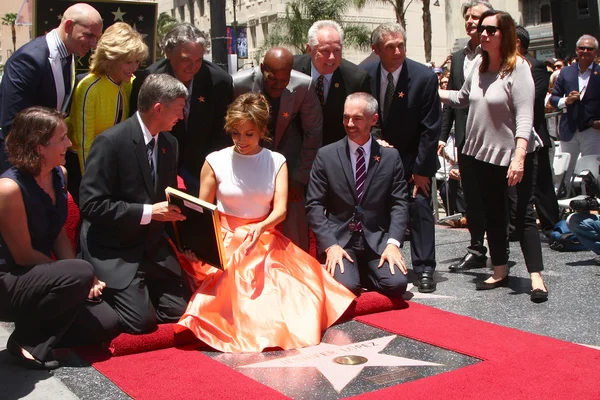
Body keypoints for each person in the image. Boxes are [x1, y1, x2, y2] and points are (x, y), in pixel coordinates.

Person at [175, 93, 355, 353]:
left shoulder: (275, 160)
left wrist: (261, 227)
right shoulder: (215, 161)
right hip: (225, 239)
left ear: (262, 131)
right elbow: (203, 212)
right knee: (234, 286)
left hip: (265, 237)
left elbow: (280, 210)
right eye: (235, 133)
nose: (241, 141)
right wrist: (201, 247)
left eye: (249, 134)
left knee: (292, 294)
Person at [439, 10, 548, 302]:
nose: (483, 34)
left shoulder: (518, 68)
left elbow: (526, 117)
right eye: (482, 29)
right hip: (481, 154)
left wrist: (520, 156)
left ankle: (536, 277)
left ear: (506, 34)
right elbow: (462, 99)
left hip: (516, 155)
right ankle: (500, 270)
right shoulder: (477, 67)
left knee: (523, 215)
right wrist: (432, 90)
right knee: (493, 215)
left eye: (491, 30)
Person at [0, 107, 119, 370]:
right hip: (9, 281)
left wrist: (83, 280)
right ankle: (26, 341)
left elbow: (58, 233)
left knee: (107, 323)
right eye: (62, 138)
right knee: (80, 271)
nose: (70, 144)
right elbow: (22, 255)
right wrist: (77, 276)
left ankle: (40, 326)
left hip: (41, 274)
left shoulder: (59, 175)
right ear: (39, 146)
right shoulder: (9, 188)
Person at [79, 74, 191, 334]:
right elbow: (92, 205)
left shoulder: (169, 144)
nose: (182, 116)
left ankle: (140, 292)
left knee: (183, 312)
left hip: (151, 249)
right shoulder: (110, 142)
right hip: (114, 248)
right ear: (158, 108)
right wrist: (150, 212)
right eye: (178, 109)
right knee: (141, 323)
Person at [362, 23, 441, 293]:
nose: (397, 51)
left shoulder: (423, 78)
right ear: (376, 50)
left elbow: (430, 129)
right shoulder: (364, 75)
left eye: (401, 45)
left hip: (413, 157)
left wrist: (421, 169)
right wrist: (376, 141)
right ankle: (383, 262)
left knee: (419, 205)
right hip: (377, 157)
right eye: (390, 47)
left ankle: (425, 267)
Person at [306, 92, 409, 298]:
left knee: (397, 285)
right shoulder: (326, 155)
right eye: (346, 117)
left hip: (376, 240)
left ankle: (361, 272)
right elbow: (314, 205)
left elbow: (399, 203)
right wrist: (330, 246)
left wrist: (393, 244)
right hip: (340, 240)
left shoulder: (390, 156)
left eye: (357, 118)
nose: (349, 123)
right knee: (347, 288)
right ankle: (353, 276)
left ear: (374, 120)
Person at [232, 47, 322, 252]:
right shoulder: (239, 83)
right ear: (262, 68)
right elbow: (232, 127)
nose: (278, 85)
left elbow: (313, 134)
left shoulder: (303, 86)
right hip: (247, 157)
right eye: (272, 79)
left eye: (284, 81)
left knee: (293, 214)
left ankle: (295, 262)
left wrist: (300, 177)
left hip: (287, 159)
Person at [130, 23, 233, 196]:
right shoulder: (149, 79)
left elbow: (222, 134)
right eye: (186, 59)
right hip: (160, 164)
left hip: (201, 167)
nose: (193, 67)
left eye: (199, 60)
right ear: (169, 53)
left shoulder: (219, 81)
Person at [0, 3, 103, 174]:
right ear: (69, 26)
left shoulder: (69, 55)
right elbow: (13, 124)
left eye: (97, 37)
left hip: (48, 165)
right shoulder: (28, 60)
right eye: (88, 35)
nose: (93, 44)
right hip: (23, 167)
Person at [66, 22, 148, 204]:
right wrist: (90, 183)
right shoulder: (88, 86)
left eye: (136, 61)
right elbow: (84, 142)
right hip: (82, 164)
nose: (133, 67)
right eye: (128, 62)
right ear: (110, 59)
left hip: (110, 160)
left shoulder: (129, 83)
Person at [440, 0, 493, 272]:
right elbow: (453, 98)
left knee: (494, 196)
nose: (471, 21)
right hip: (466, 139)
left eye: (477, 17)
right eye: (468, 17)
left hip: (494, 138)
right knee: (471, 196)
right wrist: (442, 135)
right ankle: (476, 249)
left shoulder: (496, 53)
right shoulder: (459, 57)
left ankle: (500, 250)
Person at [293, 20, 371, 146]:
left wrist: (377, 140)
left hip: (336, 152)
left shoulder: (356, 78)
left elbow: (368, 116)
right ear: (309, 49)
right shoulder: (291, 69)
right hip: (298, 150)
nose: (332, 58)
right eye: (325, 51)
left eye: (336, 50)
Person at [514, 26, 560, 237]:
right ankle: (516, 226)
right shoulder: (503, 67)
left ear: (518, 43)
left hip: (535, 134)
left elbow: (533, 98)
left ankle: (551, 225)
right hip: (512, 136)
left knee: (541, 183)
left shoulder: (536, 67)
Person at [550, 34, 600, 188]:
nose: (585, 51)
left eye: (589, 49)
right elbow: (553, 98)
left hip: (591, 129)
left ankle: (590, 204)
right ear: (576, 50)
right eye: (582, 48)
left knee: (591, 171)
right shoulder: (566, 72)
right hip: (569, 129)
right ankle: (563, 201)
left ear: (596, 53)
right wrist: (566, 101)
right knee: (565, 171)